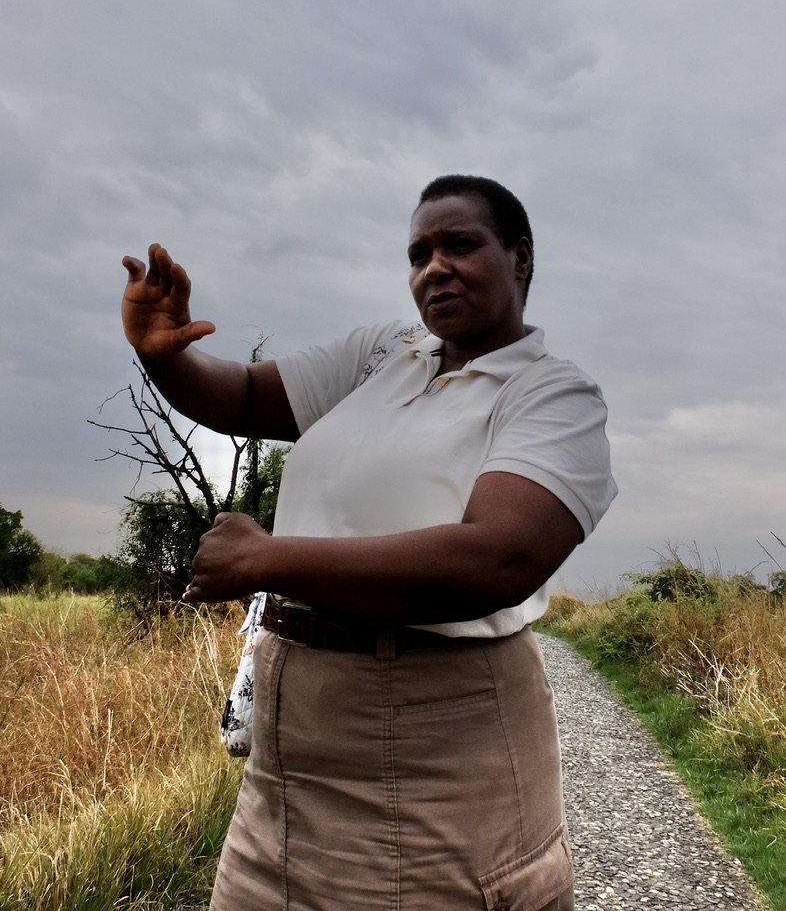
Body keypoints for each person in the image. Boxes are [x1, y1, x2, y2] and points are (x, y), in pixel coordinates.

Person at [121, 174, 616, 911]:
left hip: (432, 743)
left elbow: (497, 559)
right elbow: (251, 396)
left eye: (459, 245)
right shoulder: (386, 354)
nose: (433, 268)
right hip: (290, 747)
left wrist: (266, 559)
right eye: (418, 254)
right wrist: (166, 358)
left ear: (520, 257)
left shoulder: (550, 396)